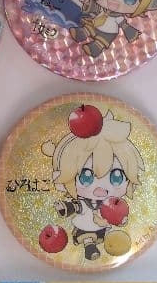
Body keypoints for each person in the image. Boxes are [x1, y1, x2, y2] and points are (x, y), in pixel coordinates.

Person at [42, 107, 144, 261]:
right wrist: (64, 207)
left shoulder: (115, 205)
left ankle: (112, 243)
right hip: (85, 226)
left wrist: (121, 220)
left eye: (116, 177)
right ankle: (89, 246)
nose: (101, 189)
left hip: (105, 228)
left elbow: (120, 217)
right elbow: (75, 206)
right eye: (86, 177)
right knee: (87, 236)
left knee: (109, 235)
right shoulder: (84, 202)